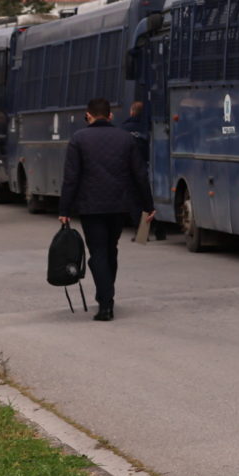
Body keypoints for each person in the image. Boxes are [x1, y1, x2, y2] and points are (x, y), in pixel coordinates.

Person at [58, 97, 148, 322]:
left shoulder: (79, 139)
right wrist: (149, 205)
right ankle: (107, 295)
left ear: (88, 115)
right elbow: (140, 174)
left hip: (91, 206)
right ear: (110, 116)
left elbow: (71, 178)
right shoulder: (125, 138)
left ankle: (105, 303)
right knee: (111, 249)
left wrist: (65, 209)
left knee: (97, 252)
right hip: (119, 205)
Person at [122, 98, 155, 241]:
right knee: (147, 200)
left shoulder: (123, 129)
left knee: (134, 202)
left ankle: (141, 234)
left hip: (129, 170)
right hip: (146, 166)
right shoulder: (148, 127)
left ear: (131, 112)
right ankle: (157, 231)